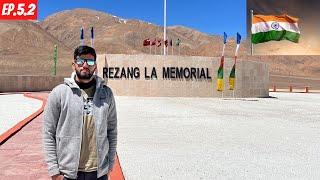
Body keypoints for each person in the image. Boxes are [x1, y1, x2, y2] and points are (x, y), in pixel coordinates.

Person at [43, 45, 117, 180]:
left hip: (98, 173)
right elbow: (48, 133)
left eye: (89, 62)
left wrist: (109, 164)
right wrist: (54, 170)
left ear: (95, 66)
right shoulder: (59, 93)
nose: (85, 65)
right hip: (68, 173)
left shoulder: (106, 94)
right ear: (73, 65)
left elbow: (112, 131)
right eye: (80, 61)